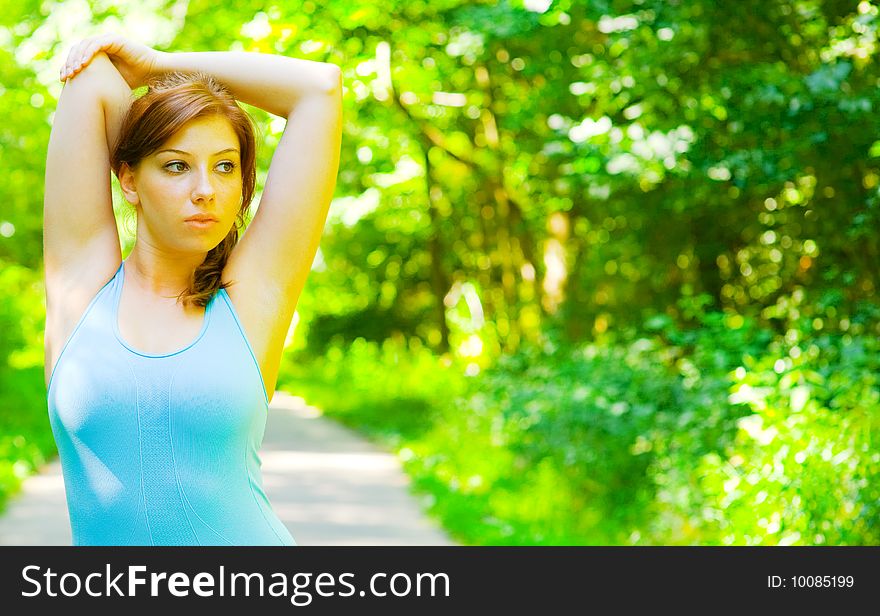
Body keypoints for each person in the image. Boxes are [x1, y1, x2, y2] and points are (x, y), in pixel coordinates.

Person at [42, 33, 342, 545]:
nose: (206, 189)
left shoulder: (251, 299)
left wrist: (162, 65)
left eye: (225, 166)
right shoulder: (82, 286)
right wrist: (151, 105)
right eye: (176, 165)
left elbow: (319, 87)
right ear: (129, 181)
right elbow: (92, 77)